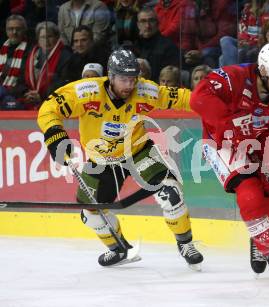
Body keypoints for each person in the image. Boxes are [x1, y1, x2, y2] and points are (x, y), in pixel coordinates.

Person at [37, 49, 204, 268]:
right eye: (124, 79)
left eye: (133, 79)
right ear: (111, 75)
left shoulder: (144, 91)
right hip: (101, 161)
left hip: (138, 151)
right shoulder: (86, 92)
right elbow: (49, 109)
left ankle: (186, 244)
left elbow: (182, 98)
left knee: (170, 192)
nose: (129, 85)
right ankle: (118, 249)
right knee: (91, 213)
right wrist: (56, 136)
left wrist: (212, 103)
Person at [190, 42, 269, 286]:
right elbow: (198, 99)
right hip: (222, 144)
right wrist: (230, 126)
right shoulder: (233, 77)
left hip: (257, 144)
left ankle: (258, 237)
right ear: (263, 69)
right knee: (249, 193)